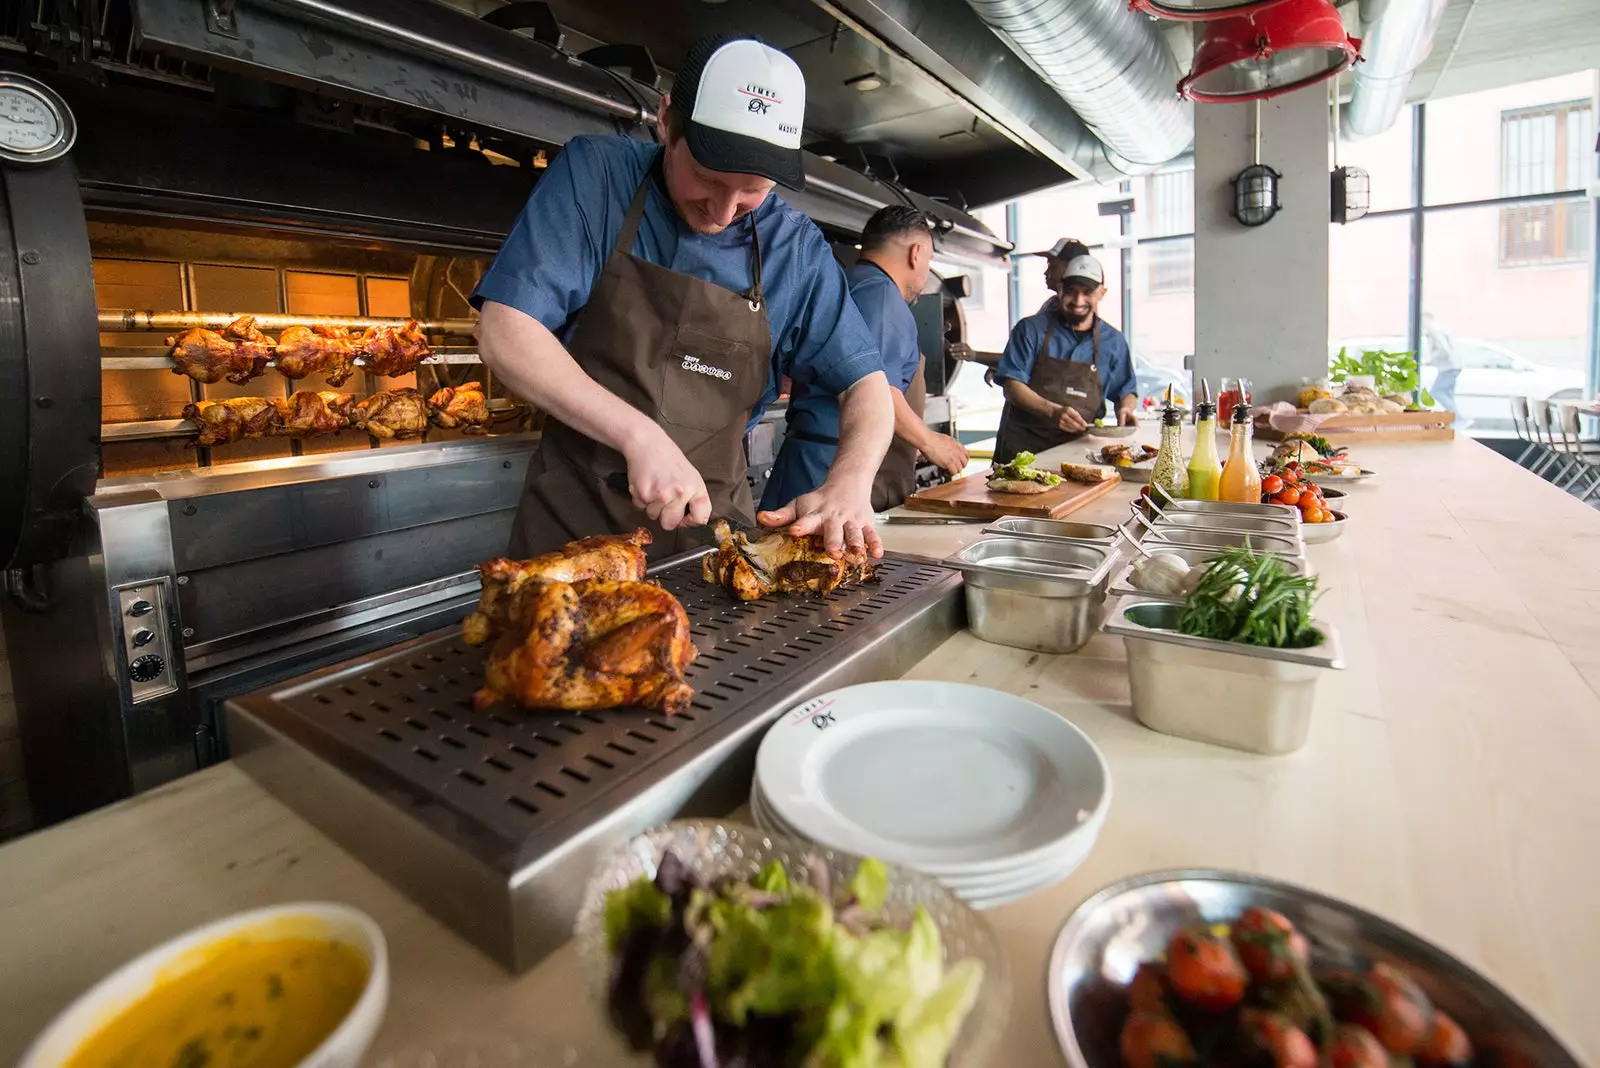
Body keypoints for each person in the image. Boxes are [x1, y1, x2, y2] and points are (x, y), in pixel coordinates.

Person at [472, 34, 893, 561]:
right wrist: (638, 435)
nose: (722, 211)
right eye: (707, 178)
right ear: (666, 122)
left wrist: (850, 484)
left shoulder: (795, 248)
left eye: (752, 192)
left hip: (713, 546)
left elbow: (868, 386)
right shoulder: (598, 176)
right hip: (572, 537)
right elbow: (506, 330)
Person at [761, 206, 969, 511]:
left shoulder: (846, 283)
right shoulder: (881, 296)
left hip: (814, 461)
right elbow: (877, 388)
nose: (926, 271)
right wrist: (929, 440)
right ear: (916, 253)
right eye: (930, 260)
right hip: (832, 468)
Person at [991, 254, 1138, 464]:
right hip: (1021, 453)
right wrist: (1052, 411)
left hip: (1079, 455)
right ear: (1060, 289)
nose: (1078, 301)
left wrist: (1126, 409)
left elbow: (1126, 390)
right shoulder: (1030, 330)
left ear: (1102, 293)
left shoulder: (1113, 342)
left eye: (1087, 293)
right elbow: (1012, 386)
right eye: (1071, 292)